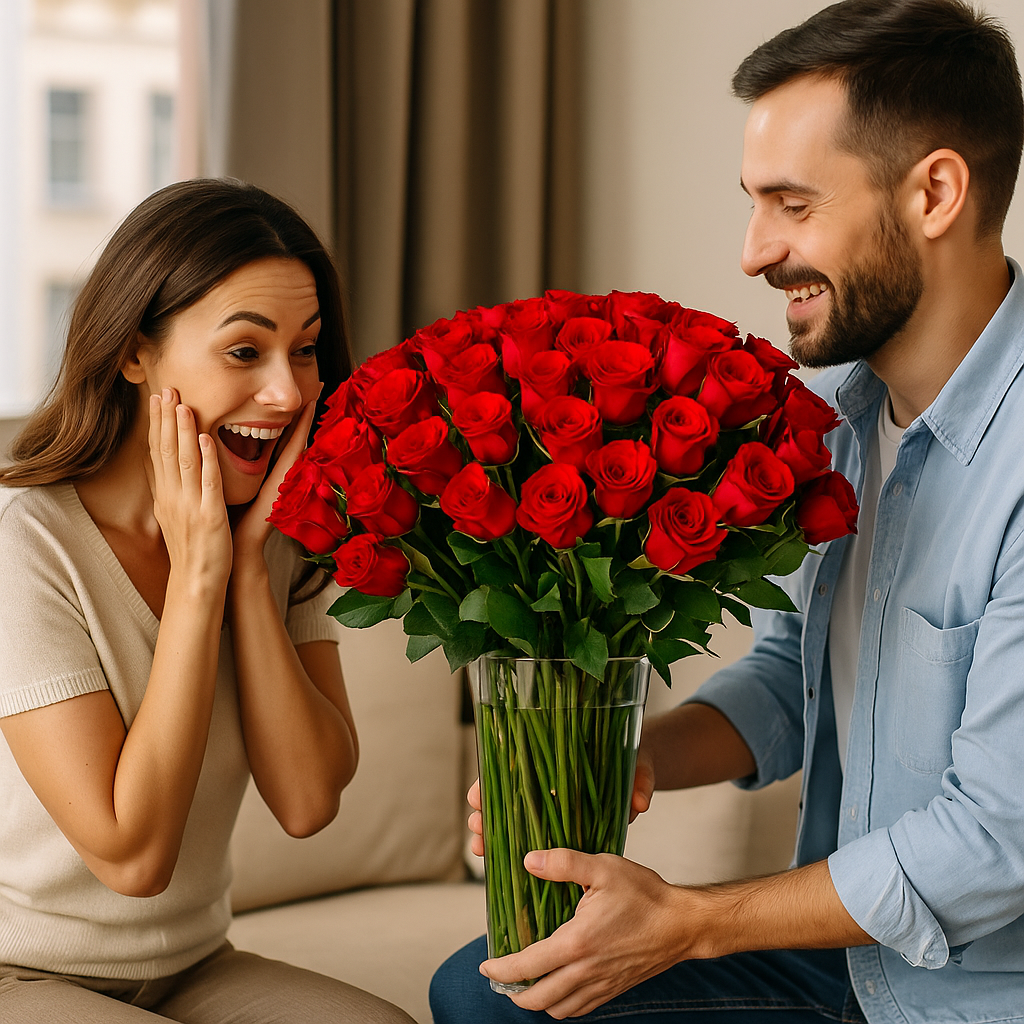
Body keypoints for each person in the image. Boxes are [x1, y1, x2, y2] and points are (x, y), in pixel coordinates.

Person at [430, 1, 1024, 1021]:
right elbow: (789, 680)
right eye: (754, 205)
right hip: (848, 967)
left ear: (933, 191)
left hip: (971, 996)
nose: (753, 252)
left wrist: (691, 917)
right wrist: (631, 759)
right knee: (493, 990)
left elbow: (996, 838)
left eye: (791, 205)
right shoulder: (837, 420)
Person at [0, 178, 415, 1023]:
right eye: (243, 351)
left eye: (304, 349)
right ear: (133, 352)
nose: (289, 394)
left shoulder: (276, 534)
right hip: (18, 970)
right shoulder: (24, 546)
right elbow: (132, 856)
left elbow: (307, 802)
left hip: (195, 965)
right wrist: (199, 579)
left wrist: (250, 565)